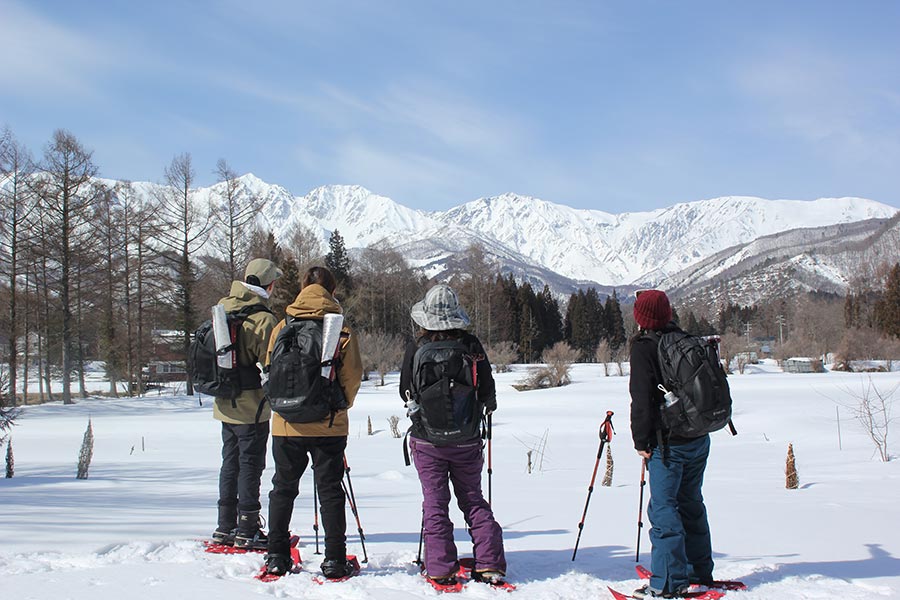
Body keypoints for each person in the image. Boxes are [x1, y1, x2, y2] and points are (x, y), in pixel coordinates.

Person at [399, 284, 507, 587]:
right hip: (467, 438)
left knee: (435, 502)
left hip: (426, 439)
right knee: (473, 499)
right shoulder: (470, 344)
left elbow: (405, 390)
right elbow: (487, 389)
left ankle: (440, 567)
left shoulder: (417, 346)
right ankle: (489, 563)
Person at [263, 266, 363, 578]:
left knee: (283, 488)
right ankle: (334, 558)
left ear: (303, 289)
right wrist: (339, 405)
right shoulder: (340, 330)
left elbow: (270, 369)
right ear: (333, 291)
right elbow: (352, 377)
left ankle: (277, 556)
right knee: (331, 489)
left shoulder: (283, 326)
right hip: (328, 425)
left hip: (286, 424)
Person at [629, 289, 714, 599]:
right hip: (698, 437)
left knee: (664, 511)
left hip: (668, 444)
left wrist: (641, 441)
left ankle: (667, 583)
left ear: (641, 317)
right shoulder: (684, 339)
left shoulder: (644, 347)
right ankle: (698, 571)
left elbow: (641, 400)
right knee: (691, 504)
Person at [211, 258, 282, 549]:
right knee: (251, 464)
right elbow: (271, 364)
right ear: (269, 284)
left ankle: (224, 525)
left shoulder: (223, 307)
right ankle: (248, 527)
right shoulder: (263, 318)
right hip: (251, 405)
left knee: (230, 463)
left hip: (224, 401)